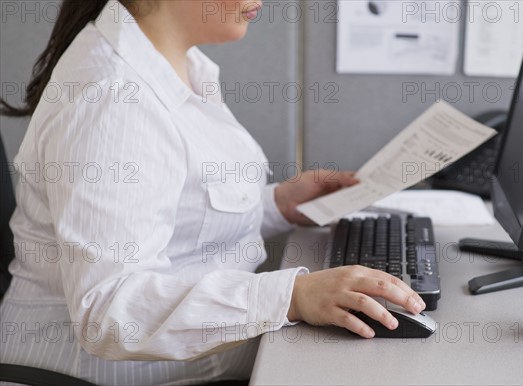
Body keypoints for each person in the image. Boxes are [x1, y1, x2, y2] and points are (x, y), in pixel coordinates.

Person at [0, 1, 426, 384]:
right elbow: (109, 312)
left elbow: (178, 219)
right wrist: (291, 297)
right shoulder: (114, 100)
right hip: (94, 375)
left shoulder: (176, 69)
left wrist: (277, 205)